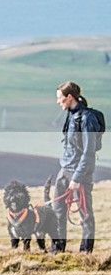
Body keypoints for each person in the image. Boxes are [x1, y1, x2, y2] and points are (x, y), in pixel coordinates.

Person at [52, 81, 100, 253]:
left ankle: (86, 254)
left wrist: (77, 178)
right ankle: (57, 251)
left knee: (85, 215)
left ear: (69, 97)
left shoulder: (87, 119)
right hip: (64, 170)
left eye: (60, 98)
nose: (58, 102)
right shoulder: (71, 114)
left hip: (80, 174)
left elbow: (89, 152)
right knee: (57, 211)